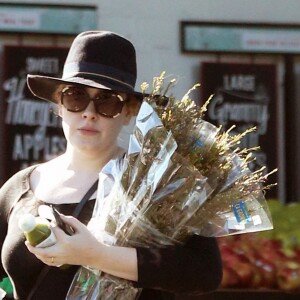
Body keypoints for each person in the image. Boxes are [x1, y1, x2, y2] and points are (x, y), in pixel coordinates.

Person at [0, 31, 222, 300]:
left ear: (128, 112)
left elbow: (205, 272)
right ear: (59, 106)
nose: (89, 113)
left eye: (107, 101)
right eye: (75, 96)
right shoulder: (18, 188)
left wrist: (95, 255)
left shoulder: (161, 185)